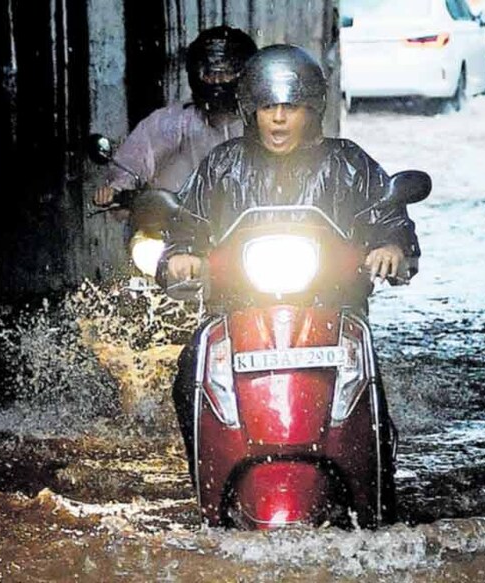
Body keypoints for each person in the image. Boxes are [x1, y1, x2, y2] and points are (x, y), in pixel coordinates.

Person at [159, 44, 421, 513]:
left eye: (290, 107)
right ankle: (206, 482)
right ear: (250, 111)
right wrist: (182, 256)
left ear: (311, 110)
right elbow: (187, 224)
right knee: (186, 376)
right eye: (267, 108)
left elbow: (387, 215)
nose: (278, 119)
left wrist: (391, 248)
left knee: (369, 391)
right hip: (234, 311)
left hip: (333, 310)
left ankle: (379, 491)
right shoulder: (223, 165)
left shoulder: (347, 162)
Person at [91, 26, 258, 209]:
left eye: (226, 73)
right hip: (182, 227)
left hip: (254, 225)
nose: (217, 82)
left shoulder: (263, 120)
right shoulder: (171, 122)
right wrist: (117, 189)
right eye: (209, 74)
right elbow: (133, 162)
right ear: (195, 74)